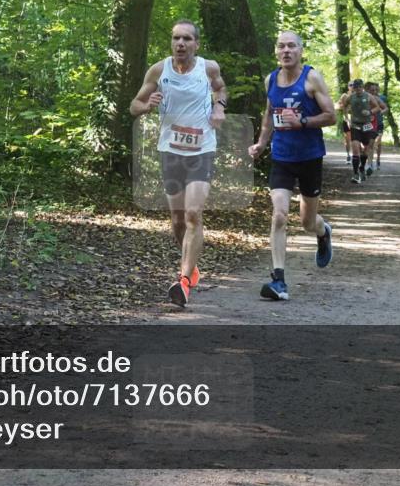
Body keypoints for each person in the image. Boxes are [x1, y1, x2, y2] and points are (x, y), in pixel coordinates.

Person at [130, 20, 227, 306]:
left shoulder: (208, 68)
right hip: (170, 150)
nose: (180, 43)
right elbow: (134, 105)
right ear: (171, 42)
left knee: (194, 214)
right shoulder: (159, 70)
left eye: (186, 39)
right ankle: (191, 265)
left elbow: (221, 89)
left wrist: (220, 107)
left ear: (196, 44)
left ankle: (183, 281)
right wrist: (147, 106)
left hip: (202, 150)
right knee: (177, 221)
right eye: (176, 38)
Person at [248, 31, 336, 301]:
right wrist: (261, 143)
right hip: (282, 158)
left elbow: (331, 116)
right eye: (281, 46)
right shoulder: (270, 80)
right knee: (279, 214)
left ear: (300, 50)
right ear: (276, 51)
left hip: (310, 157)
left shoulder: (311, 78)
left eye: (291, 46)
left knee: (307, 222)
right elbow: (268, 115)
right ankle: (279, 280)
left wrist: (303, 122)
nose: (286, 51)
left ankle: (323, 232)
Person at [337, 79, 383, 184]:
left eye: (359, 87)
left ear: (362, 87)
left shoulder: (368, 96)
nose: (357, 89)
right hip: (355, 125)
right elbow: (344, 106)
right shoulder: (350, 97)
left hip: (366, 125)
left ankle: (362, 167)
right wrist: (347, 118)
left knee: (366, 149)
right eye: (355, 87)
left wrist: (370, 112)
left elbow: (377, 108)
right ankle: (355, 174)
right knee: (356, 149)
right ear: (353, 88)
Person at [365, 82, 389, 175]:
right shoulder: (362, 98)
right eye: (372, 90)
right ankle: (368, 162)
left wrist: (381, 112)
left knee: (376, 143)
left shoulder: (380, 98)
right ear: (367, 90)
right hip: (366, 124)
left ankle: (375, 160)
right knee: (367, 145)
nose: (374, 92)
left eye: (376, 90)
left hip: (378, 124)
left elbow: (386, 108)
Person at [340, 81, 354, 163]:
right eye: (350, 85)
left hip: (356, 119)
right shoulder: (344, 96)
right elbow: (343, 108)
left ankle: (355, 155)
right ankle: (348, 155)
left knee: (355, 138)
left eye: (353, 85)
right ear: (348, 86)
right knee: (347, 138)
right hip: (347, 119)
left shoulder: (358, 95)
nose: (352, 86)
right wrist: (347, 119)